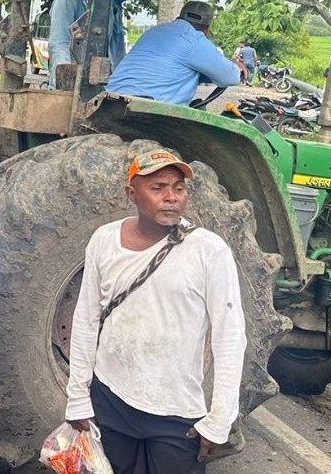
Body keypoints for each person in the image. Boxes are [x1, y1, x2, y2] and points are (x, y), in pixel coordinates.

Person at [64, 149, 246, 474]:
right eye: (158, 187)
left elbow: (230, 337)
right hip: (110, 399)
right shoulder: (104, 241)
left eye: (179, 188)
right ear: (131, 194)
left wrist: (220, 418)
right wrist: (78, 395)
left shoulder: (209, 250)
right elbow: (86, 320)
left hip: (176, 413)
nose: (171, 198)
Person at [107, 1, 243, 106]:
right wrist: (238, 67)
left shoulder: (153, 32)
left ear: (179, 17)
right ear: (207, 30)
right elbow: (231, 77)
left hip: (109, 99)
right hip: (148, 109)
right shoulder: (194, 39)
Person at [48, 0, 154, 87]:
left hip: (101, 80)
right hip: (73, 80)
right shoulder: (68, 0)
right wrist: (65, 82)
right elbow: (59, 43)